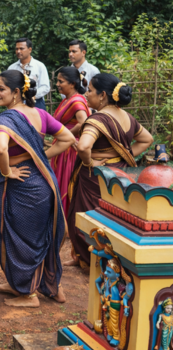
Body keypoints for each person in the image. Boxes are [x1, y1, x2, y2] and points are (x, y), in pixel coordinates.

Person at [0, 70, 75, 308]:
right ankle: (38, 286)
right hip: (44, 183)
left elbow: (1, 149)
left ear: (16, 92)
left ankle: (28, 294)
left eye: (1, 89)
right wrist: (40, 157)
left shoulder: (5, 120)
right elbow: (67, 139)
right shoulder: (41, 114)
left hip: (22, 185)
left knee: (20, 239)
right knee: (39, 237)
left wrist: (7, 172)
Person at [66, 73, 153, 267]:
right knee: (111, 219)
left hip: (95, 177)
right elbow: (147, 140)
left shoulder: (97, 119)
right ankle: (99, 260)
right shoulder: (128, 117)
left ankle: (89, 260)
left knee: (87, 216)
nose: (86, 95)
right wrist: (122, 157)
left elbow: (83, 146)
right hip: (119, 175)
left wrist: (89, 164)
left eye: (90, 91)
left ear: (103, 95)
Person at [50, 66, 90, 216]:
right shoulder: (68, 99)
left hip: (69, 149)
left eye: (61, 81)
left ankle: (66, 220)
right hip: (63, 146)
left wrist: (66, 135)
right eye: (57, 81)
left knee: (66, 183)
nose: (58, 84)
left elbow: (84, 122)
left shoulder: (76, 101)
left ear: (72, 83)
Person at [8, 38, 50, 110]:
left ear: (30, 50)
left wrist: (31, 95)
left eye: (21, 49)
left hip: (36, 103)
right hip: (17, 104)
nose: (18, 51)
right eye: (16, 49)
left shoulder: (39, 66)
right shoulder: (12, 68)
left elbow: (45, 87)